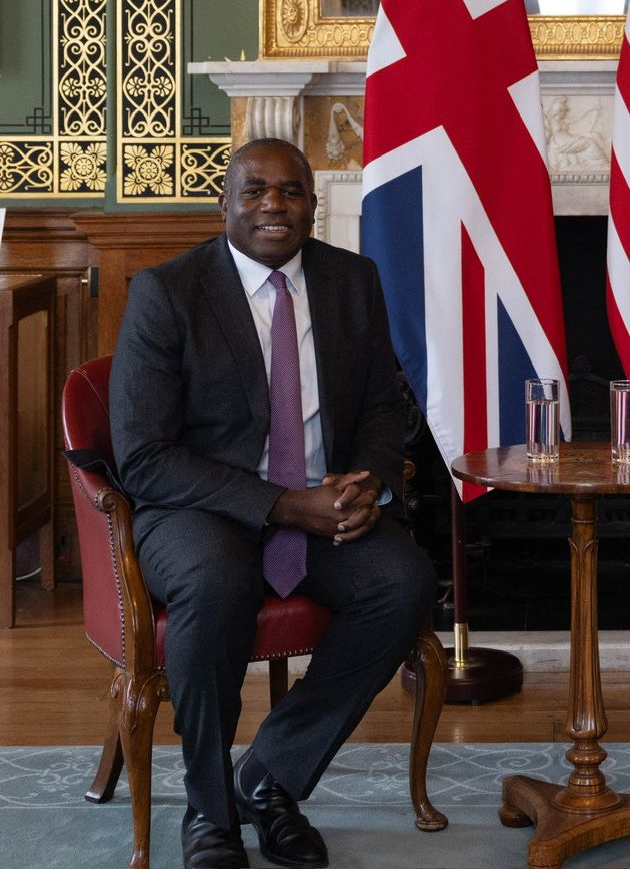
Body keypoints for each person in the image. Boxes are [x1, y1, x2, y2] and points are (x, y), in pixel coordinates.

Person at [110, 137, 437, 869]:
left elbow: (387, 405)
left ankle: (268, 777)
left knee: (404, 581)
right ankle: (209, 810)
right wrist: (285, 505)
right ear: (222, 203)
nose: (272, 205)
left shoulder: (353, 281)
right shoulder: (167, 292)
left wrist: (366, 482)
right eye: (254, 190)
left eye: (290, 191)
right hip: (199, 509)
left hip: (324, 506)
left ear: (314, 208)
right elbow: (144, 457)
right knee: (215, 580)